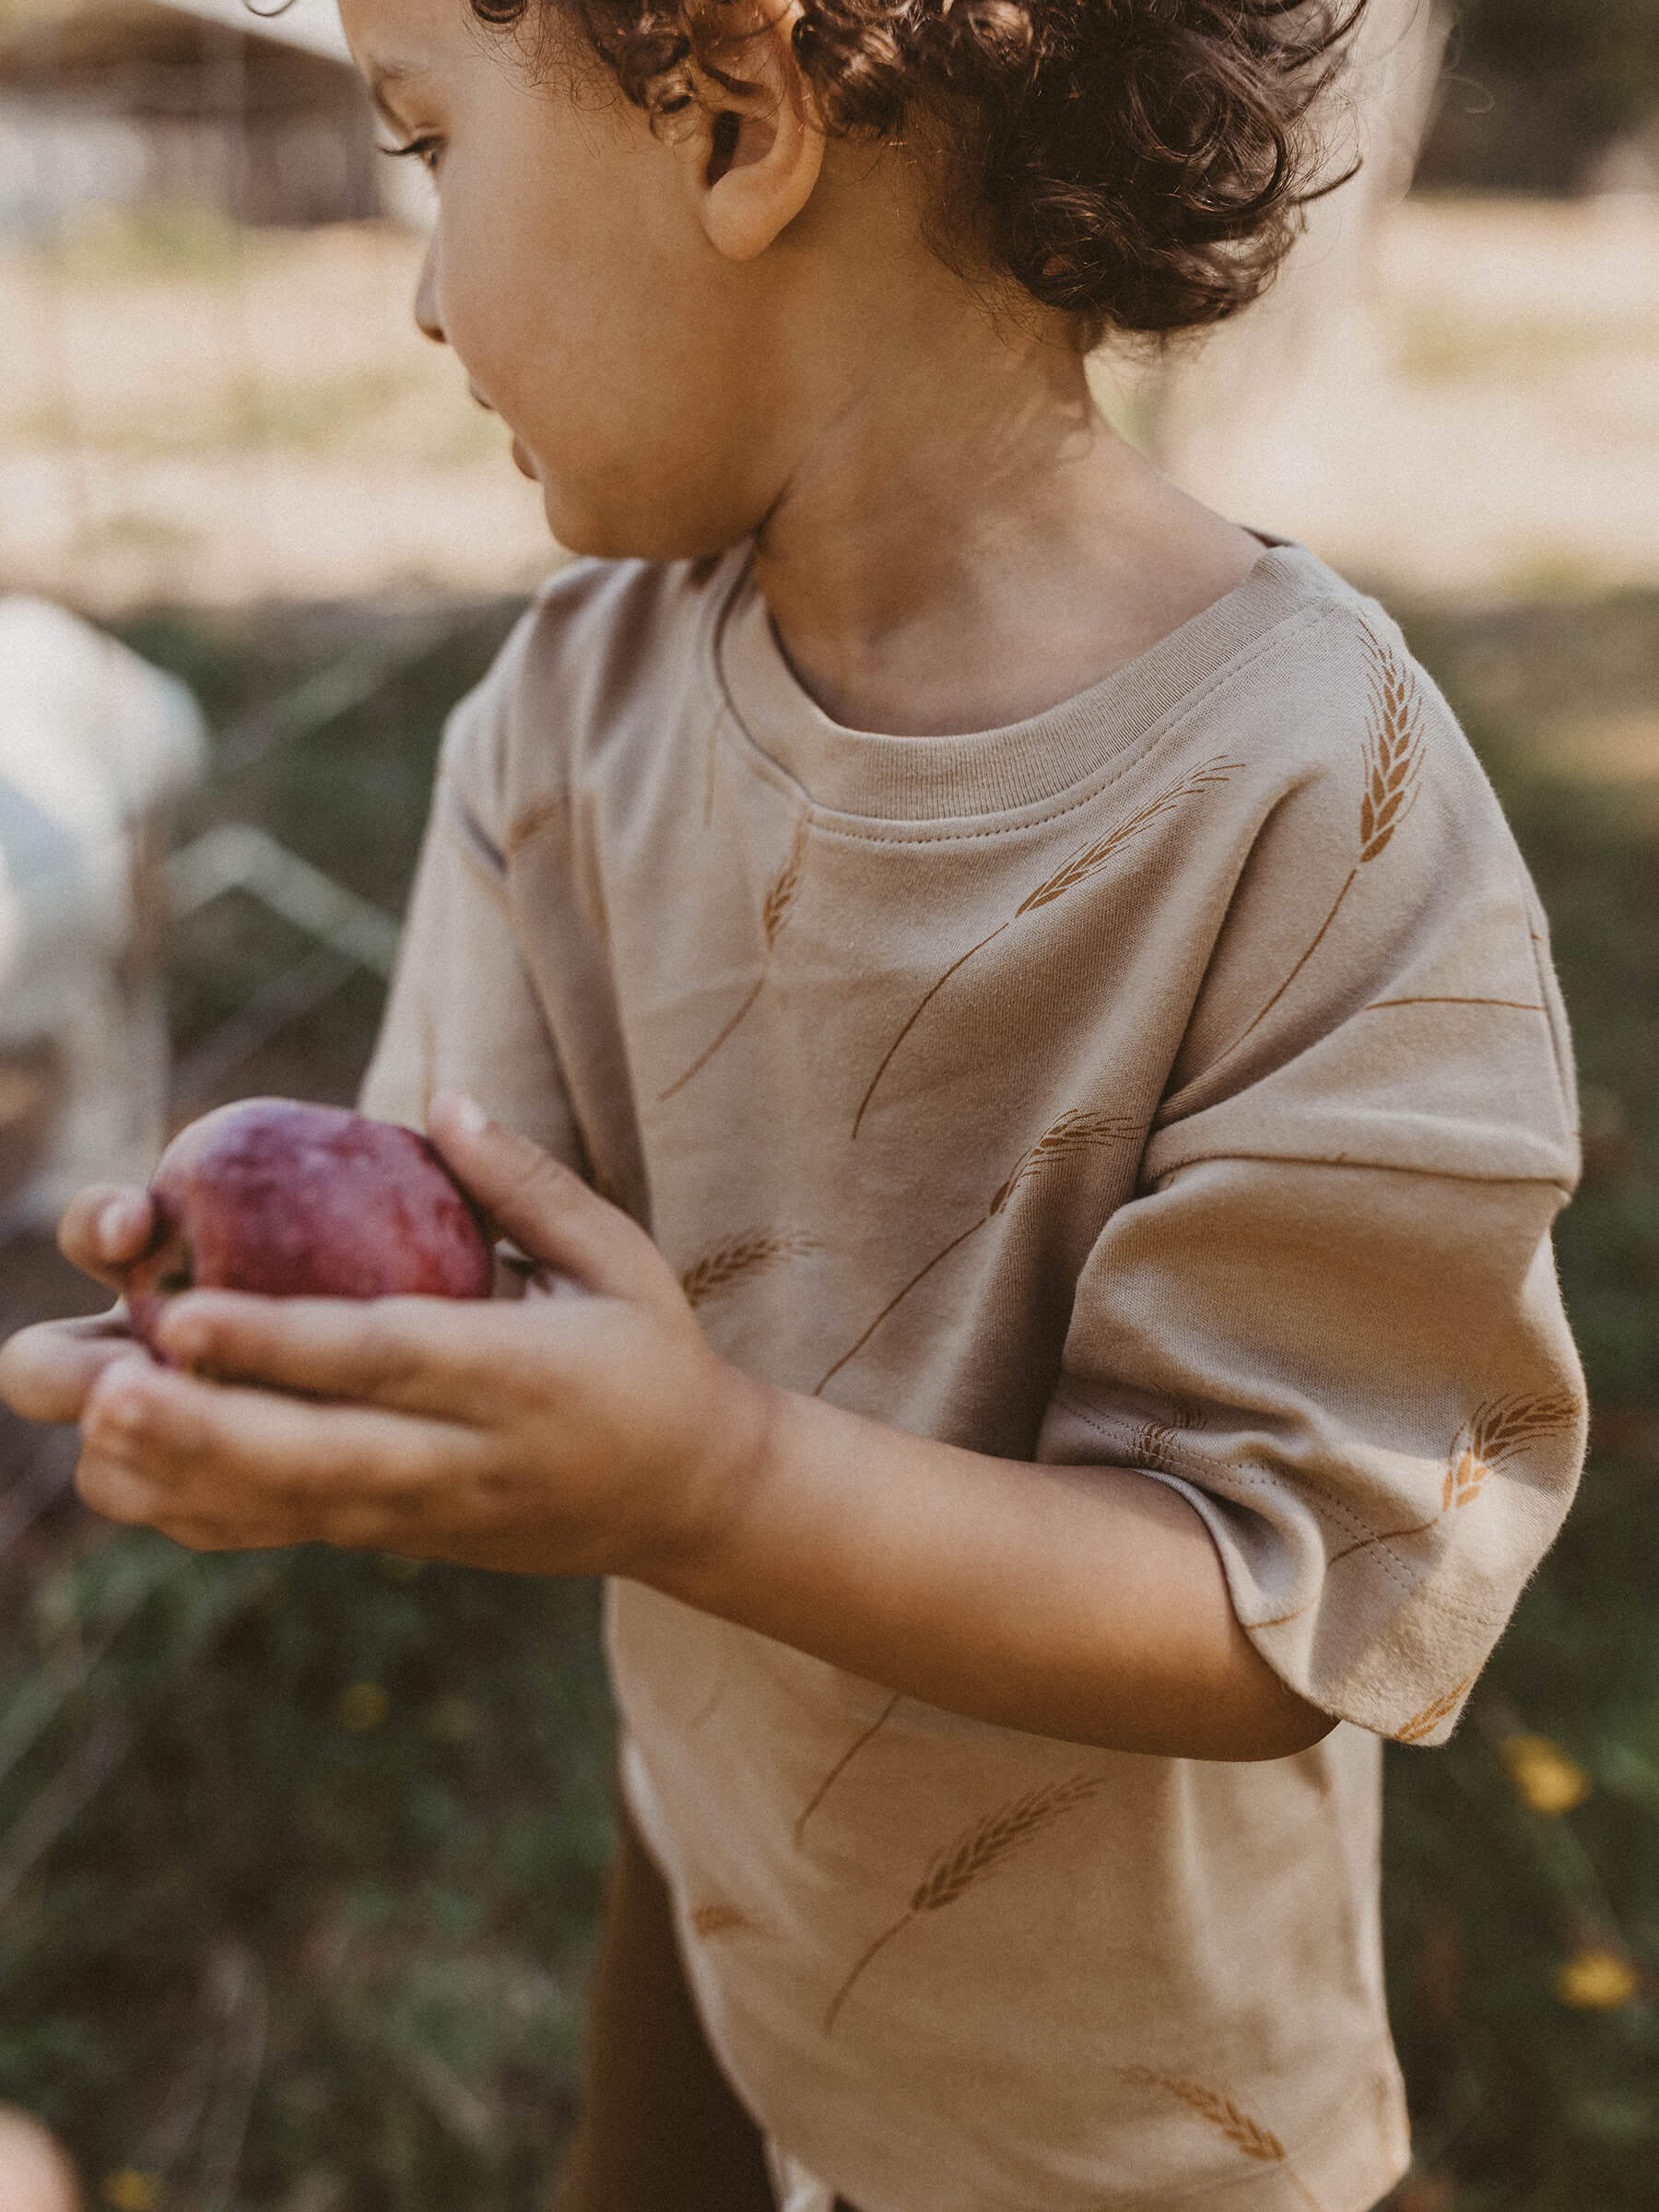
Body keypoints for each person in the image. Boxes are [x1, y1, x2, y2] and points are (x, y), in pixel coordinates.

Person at [0, 0, 1586, 2205]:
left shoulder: (1316, 801)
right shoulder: (570, 714)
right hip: (723, 1886)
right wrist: (283, 1364)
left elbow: (1278, 1600)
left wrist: (716, 1481)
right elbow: (458, 1253)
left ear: (735, 120)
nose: (426, 289)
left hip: (1125, 2115)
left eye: (432, 149)